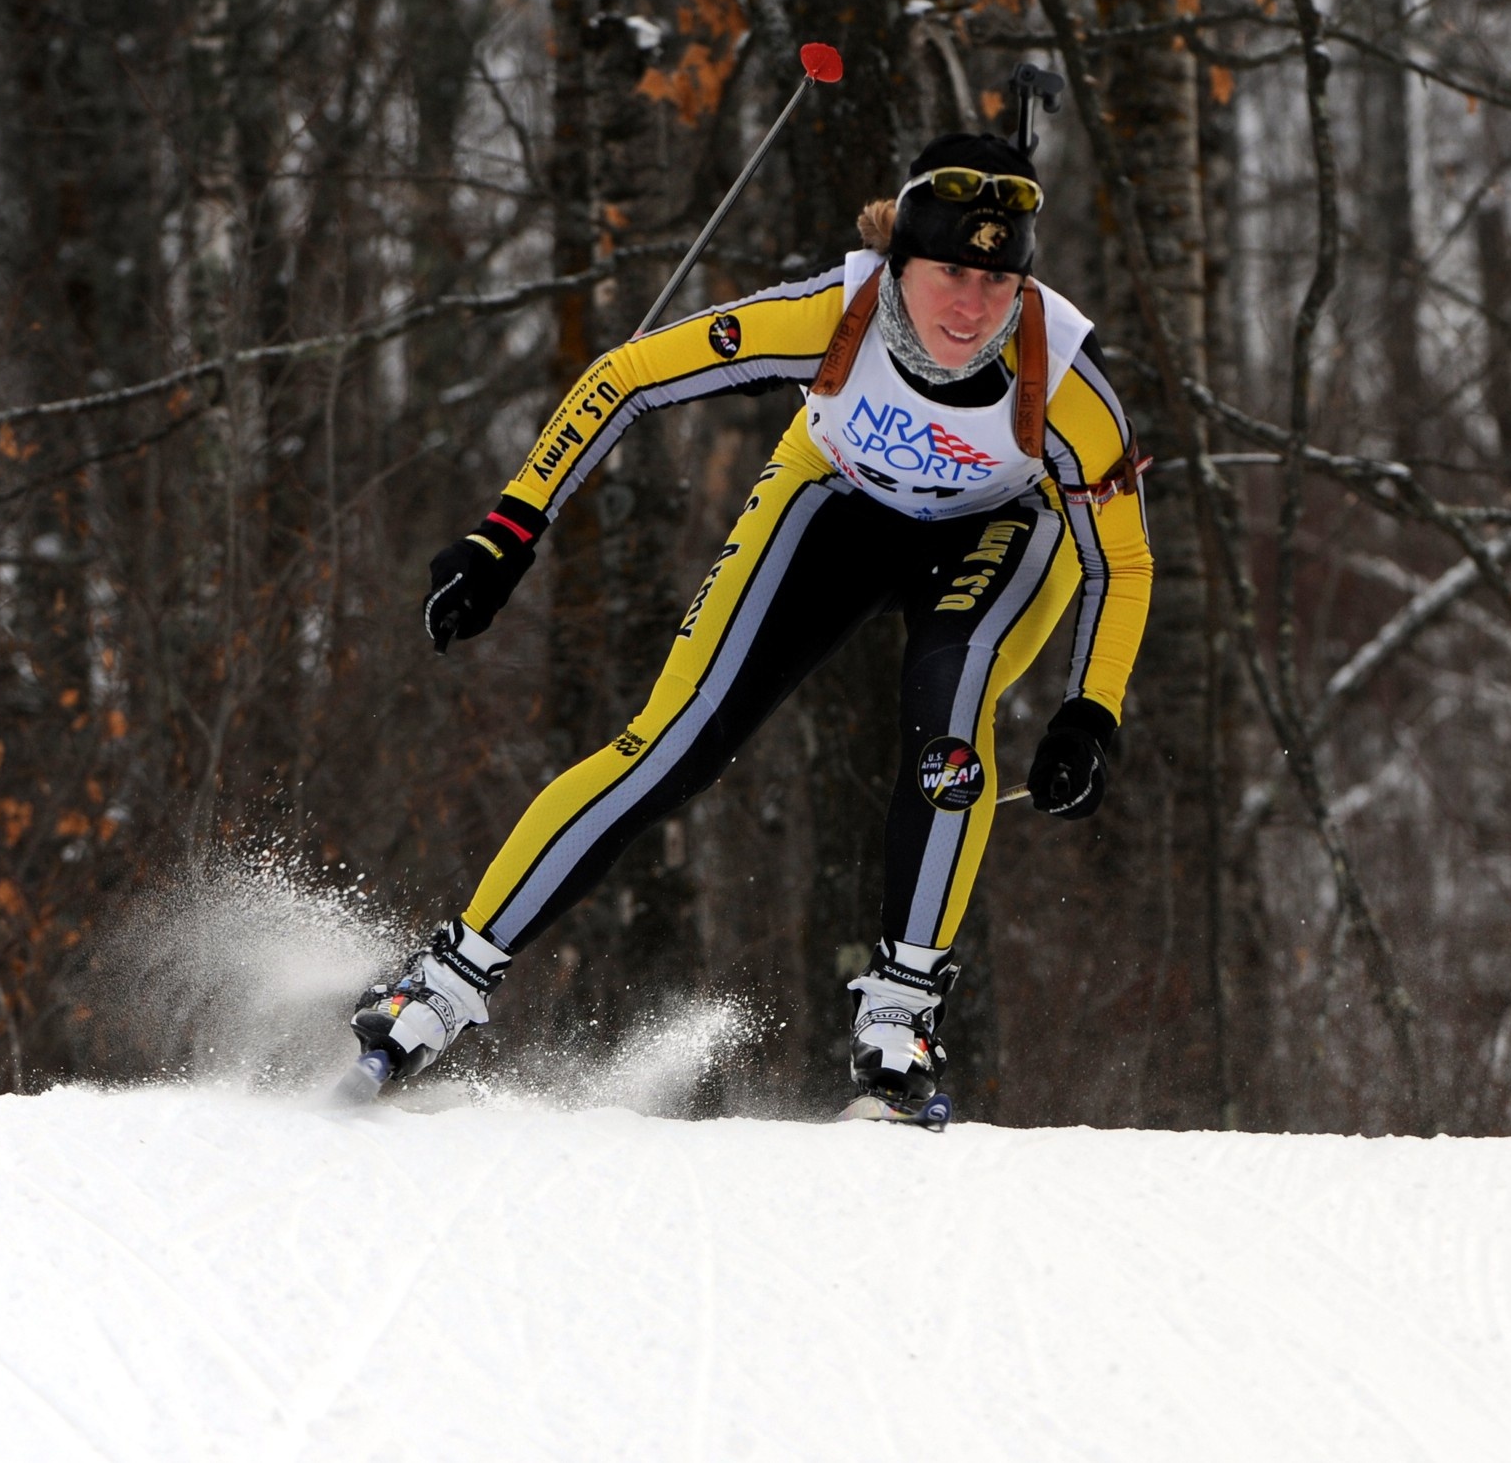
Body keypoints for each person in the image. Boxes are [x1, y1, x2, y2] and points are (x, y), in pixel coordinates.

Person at [350, 132, 1153, 1115]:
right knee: (671, 742)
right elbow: (624, 377)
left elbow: (1122, 558)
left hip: (1004, 529)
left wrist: (1091, 713)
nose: (971, 306)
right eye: (949, 271)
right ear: (900, 258)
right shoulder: (831, 315)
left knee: (951, 719)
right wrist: (505, 536)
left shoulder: (1069, 384)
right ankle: (441, 982)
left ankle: (902, 1019)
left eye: (997, 281)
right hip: (837, 500)